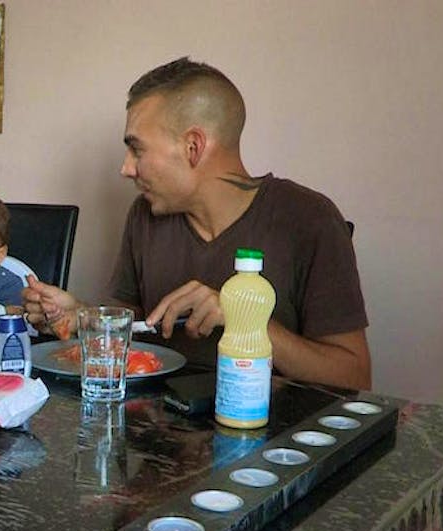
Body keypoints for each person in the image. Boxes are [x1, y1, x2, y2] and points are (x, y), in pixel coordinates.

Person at [23, 57, 371, 391]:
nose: (126, 168)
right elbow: (134, 334)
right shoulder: (145, 216)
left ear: (193, 146)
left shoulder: (308, 218)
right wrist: (80, 316)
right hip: (159, 434)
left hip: (269, 437)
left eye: (137, 150)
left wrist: (243, 318)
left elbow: (354, 378)